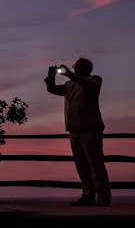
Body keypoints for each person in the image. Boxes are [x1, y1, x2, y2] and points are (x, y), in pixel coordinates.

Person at [45, 58, 111, 206]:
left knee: (95, 163)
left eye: (78, 67)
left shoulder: (95, 80)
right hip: (74, 129)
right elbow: (52, 90)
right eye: (76, 67)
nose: (76, 69)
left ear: (87, 69)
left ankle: (103, 195)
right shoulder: (69, 85)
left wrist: (70, 75)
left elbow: (90, 86)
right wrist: (51, 78)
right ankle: (88, 194)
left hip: (90, 129)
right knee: (81, 165)